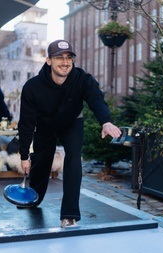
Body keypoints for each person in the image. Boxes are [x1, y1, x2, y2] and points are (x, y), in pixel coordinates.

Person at [17, 39, 121, 228]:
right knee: (41, 162)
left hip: (72, 122)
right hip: (45, 125)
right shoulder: (33, 87)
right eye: (59, 58)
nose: (65, 62)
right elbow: (26, 123)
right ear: (48, 60)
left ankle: (69, 214)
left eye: (68, 58)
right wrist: (24, 155)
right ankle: (34, 198)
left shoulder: (82, 79)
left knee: (73, 158)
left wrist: (105, 121)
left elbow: (96, 98)